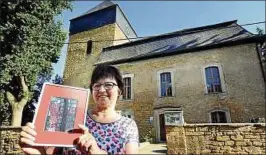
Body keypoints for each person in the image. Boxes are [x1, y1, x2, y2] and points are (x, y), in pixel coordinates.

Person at [20, 65, 139, 154]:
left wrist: (97, 152)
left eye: (109, 85)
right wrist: (39, 151)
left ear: (119, 91)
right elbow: (54, 152)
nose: (102, 90)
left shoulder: (128, 125)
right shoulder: (75, 118)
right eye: (97, 85)